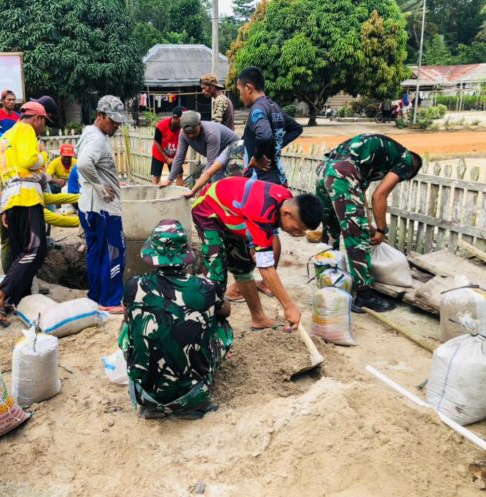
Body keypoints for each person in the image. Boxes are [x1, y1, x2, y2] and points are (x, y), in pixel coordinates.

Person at [119, 219, 233, 418]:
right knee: (221, 324)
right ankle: (193, 400)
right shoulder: (205, 287)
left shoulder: (133, 285)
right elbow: (226, 311)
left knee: (127, 326)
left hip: (146, 397)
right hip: (193, 397)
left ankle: (150, 396)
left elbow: (128, 318)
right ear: (185, 254)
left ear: (152, 254)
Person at [192, 175, 323, 331]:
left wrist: (258, 251)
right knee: (217, 271)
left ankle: (258, 319)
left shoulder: (285, 199)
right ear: (287, 214)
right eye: (297, 229)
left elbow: (269, 239)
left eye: (302, 232)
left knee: (243, 265)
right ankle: (210, 326)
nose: (298, 234)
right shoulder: (263, 212)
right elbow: (266, 267)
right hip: (208, 212)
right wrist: (289, 306)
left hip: (234, 211)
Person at [316, 133, 423, 313]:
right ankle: (365, 295)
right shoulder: (406, 160)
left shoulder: (372, 160)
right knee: (357, 237)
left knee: (331, 228)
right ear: (410, 170)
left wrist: (368, 225)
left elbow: (360, 196)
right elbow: (379, 195)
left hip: (324, 169)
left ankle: (329, 282)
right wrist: (381, 230)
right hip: (342, 172)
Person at [224, 66, 304, 301]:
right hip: (277, 176)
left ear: (249, 87)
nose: (240, 96)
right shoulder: (274, 106)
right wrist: (274, 150)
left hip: (261, 180)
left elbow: (265, 136)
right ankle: (269, 282)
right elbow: (295, 128)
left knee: (254, 231)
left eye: (240, 91)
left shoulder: (258, 109)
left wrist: (259, 156)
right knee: (272, 229)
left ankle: (244, 285)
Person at [0, 101, 51, 326]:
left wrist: (2, 207)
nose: (42, 128)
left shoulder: (3, 139)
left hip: (11, 201)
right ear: (37, 118)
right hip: (27, 197)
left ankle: (17, 300)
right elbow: (29, 160)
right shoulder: (27, 130)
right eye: (43, 123)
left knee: (19, 251)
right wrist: (44, 156)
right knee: (36, 249)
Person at [76, 95, 128, 314]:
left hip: (89, 207)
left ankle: (96, 296)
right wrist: (100, 186)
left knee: (96, 253)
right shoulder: (97, 138)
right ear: (100, 115)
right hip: (103, 209)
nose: (115, 125)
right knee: (114, 252)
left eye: (118, 121)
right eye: (112, 120)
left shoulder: (90, 133)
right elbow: (84, 163)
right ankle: (111, 300)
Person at [159, 111, 240, 189]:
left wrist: (200, 182)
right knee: (215, 183)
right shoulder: (183, 134)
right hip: (218, 156)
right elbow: (179, 157)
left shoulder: (211, 133)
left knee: (230, 182)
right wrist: (169, 180)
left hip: (235, 151)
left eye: (193, 132)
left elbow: (211, 161)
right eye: (188, 133)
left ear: (199, 125)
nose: (191, 135)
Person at [150, 106, 184, 185]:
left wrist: (182, 156)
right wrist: (166, 158)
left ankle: (179, 195)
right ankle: (155, 196)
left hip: (174, 154)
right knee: (156, 177)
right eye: (181, 120)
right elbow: (156, 142)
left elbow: (184, 143)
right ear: (175, 118)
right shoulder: (161, 125)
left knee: (179, 175)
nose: (182, 122)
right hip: (159, 153)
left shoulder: (182, 128)